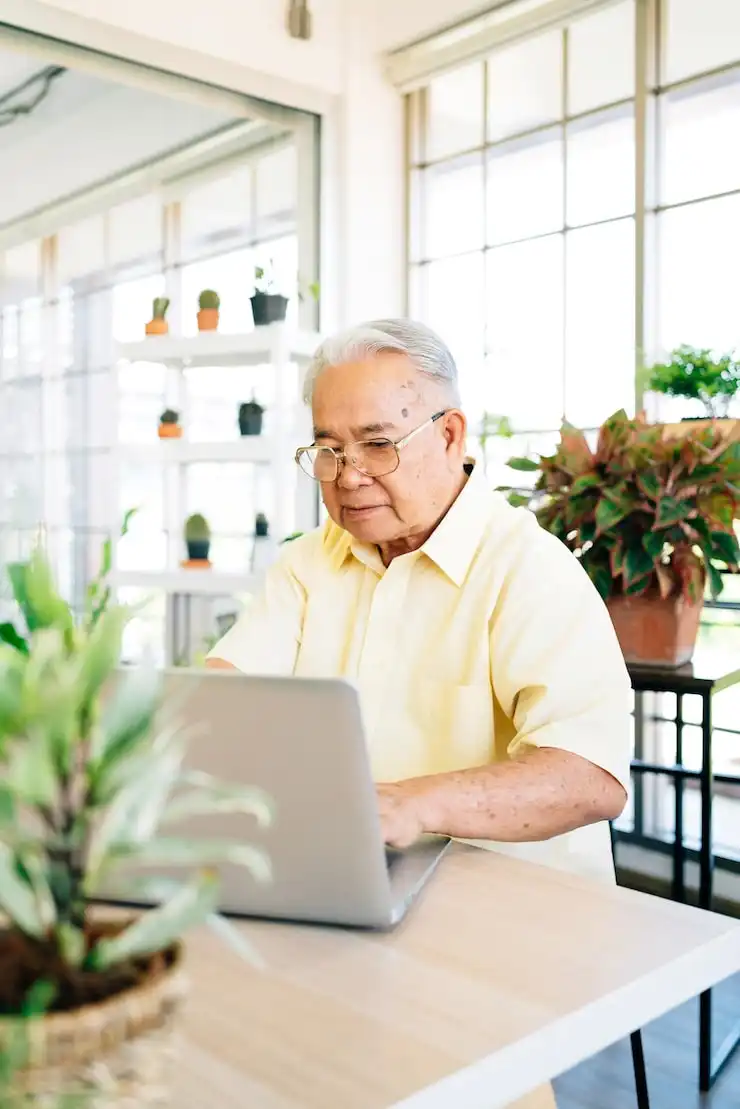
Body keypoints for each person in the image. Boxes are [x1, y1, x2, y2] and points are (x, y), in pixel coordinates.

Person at [207, 318, 631, 1109]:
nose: (347, 475)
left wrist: (411, 802)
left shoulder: (528, 567)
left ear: (451, 434)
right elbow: (223, 694)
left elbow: (591, 777)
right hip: (348, 891)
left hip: (510, 920)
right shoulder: (309, 562)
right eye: (327, 449)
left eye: (376, 443)